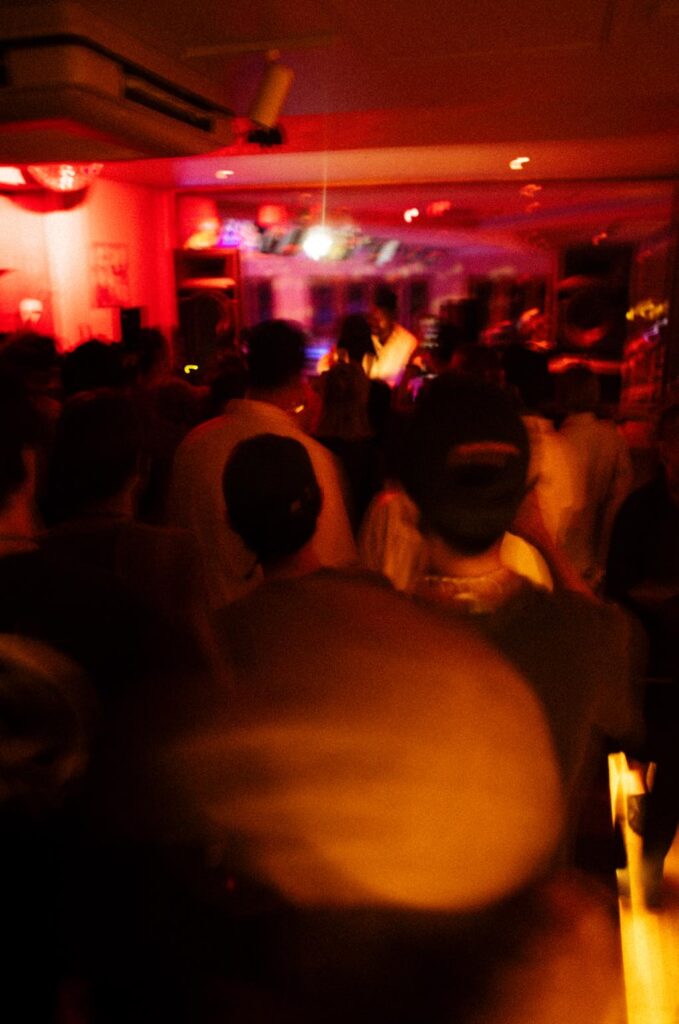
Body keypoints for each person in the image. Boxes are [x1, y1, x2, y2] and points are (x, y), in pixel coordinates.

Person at [399, 373, 643, 860]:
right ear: (523, 496)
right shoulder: (590, 637)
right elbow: (615, 678)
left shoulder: (362, 638)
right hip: (532, 900)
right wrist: (544, 540)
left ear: (411, 500)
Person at [167, 319, 356, 607]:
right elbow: (336, 568)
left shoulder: (192, 446)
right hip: (279, 629)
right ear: (299, 377)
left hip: (197, 627)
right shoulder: (309, 458)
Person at [606, 401, 679, 905]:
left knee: (672, 769)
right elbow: (619, 585)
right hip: (647, 660)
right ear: (663, 449)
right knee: (640, 761)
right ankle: (632, 853)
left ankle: (646, 871)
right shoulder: (639, 511)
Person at [557, 365, 633, 588]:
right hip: (596, 561)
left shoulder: (556, 442)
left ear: (561, 396)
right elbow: (619, 502)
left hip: (559, 561)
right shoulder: (614, 440)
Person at [368, 285, 418, 387]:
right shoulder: (364, 340)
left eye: (378, 319)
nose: (373, 324)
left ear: (392, 316)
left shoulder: (408, 343)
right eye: (372, 318)